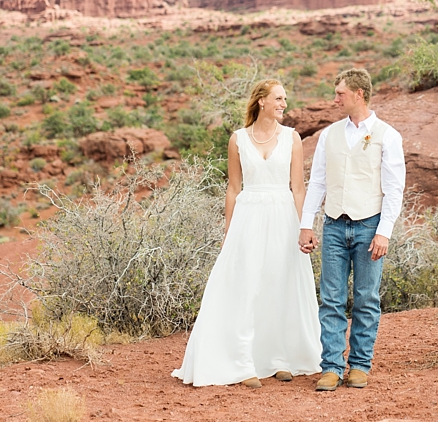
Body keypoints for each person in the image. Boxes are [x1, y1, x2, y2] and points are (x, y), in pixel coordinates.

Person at [172, 79, 324, 387]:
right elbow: (233, 187)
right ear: (261, 102)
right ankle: (244, 362)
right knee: (246, 286)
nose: (284, 103)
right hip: (249, 215)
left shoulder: (292, 138)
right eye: (278, 98)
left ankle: (281, 359)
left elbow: (298, 188)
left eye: (284, 99)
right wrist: (229, 232)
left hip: (283, 215)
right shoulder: (238, 139)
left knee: (280, 284)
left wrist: (304, 227)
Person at [298, 67, 406, 392]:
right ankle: (331, 366)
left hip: (369, 225)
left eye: (340, 93)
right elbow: (316, 182)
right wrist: (306, 224)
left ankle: (359, 365)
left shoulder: (388, 135)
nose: (335, 99)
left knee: (366, 297)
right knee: (330, 298)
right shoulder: (329, 135)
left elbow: (394, 188)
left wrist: (384, 231)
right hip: (333, 225)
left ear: (358, 94)